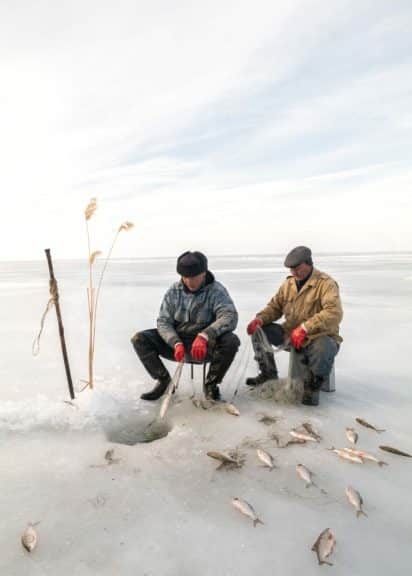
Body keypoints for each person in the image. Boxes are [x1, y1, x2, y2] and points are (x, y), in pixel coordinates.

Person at [131, 251, 240, 402]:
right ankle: (164, 381)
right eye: (185, 277)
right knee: (140, 339)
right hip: (178, 343)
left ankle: (211, 386)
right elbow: (163, 321)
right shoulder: (173, 291)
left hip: (206, 346)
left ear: (204, 273)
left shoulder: (216, 291)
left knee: (231, 340)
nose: (190, 282)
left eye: (194, 277)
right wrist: (175, 342)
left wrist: (205, 335)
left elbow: (229, 316)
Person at [246, 246, 343, 406]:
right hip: (290, 334)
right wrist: (260, 319)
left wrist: (305, 328)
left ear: (309, 263)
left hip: (318, 337)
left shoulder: (326, 284)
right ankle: (268, 374)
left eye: (297, 268)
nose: (294, 272)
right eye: (291, 269)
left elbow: (334, 313)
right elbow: (275, 307)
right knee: (259, 330)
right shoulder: (288, 284)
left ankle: (312, 387)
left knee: (323, 347)